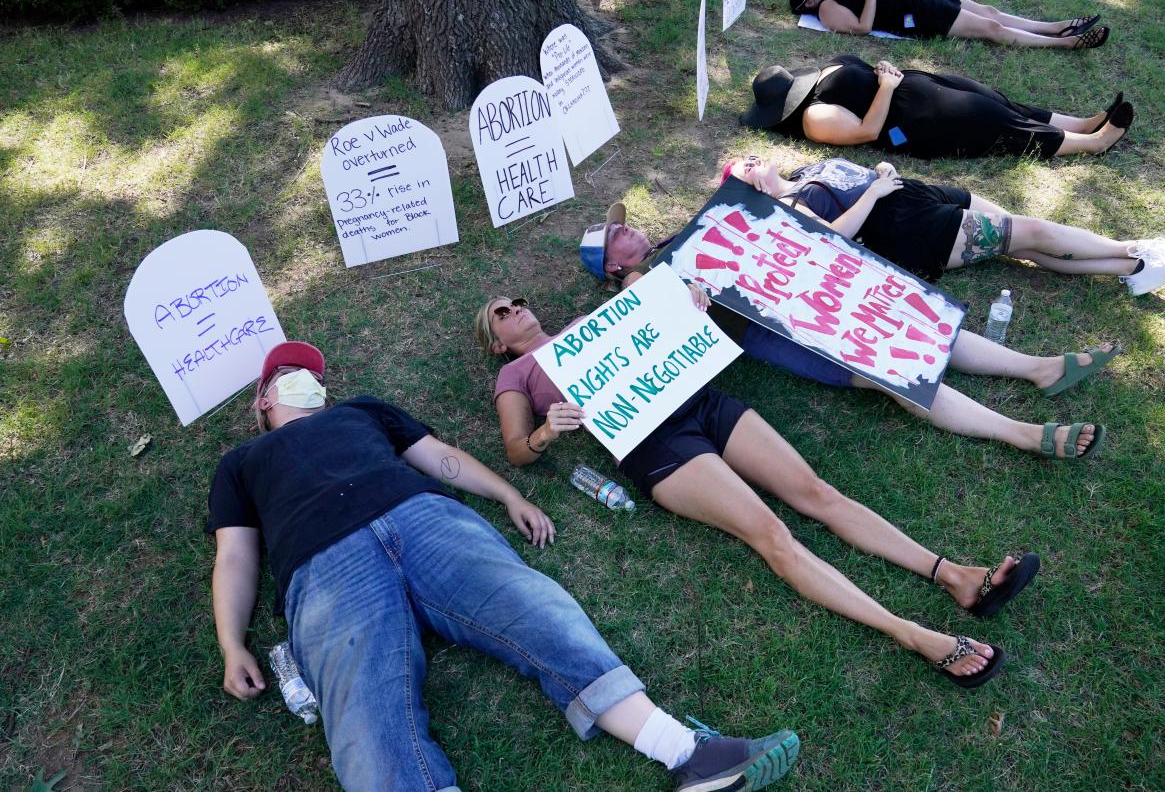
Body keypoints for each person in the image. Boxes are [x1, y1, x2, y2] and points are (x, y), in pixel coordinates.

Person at [207, 341, 801, 792]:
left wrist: (509, 496)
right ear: (263, 400)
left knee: (535, 608)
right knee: (361, 706)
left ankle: (688, 755)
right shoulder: (241, 462)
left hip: (423, 519)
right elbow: (235, 554)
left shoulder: (360, 411)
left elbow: (440, 459)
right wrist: (233, 644)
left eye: (313, 374)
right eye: (290, 375)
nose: (306, 380)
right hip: (325, 566)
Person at [475, 293, 1045, 691]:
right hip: (654, 447)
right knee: (773, 536)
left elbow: (657, 320)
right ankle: (912, 634)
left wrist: (688, 304)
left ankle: (956, 576)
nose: (516, 308)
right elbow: (516, 450)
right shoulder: (518, 375)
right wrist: (547, 431)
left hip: (701, 404)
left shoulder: (590, 321)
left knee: (818, 492)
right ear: (498, 342)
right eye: (501, 312)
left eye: (517, 300)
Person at [577, 202, 1112, 461]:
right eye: (614, 236)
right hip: (793, 330)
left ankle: (1036, 368)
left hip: (818, 294)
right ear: (611, 269)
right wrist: (675, 296)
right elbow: (659, 327)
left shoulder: (681, 235)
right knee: (892, 372)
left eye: (621, 223)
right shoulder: (636, 288)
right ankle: (1019, 432)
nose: (625, 226)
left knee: (912, 324)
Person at [721, 154, 1165, 294]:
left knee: (1018, 242)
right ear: (751, 189)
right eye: (741, 168)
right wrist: (873, 191)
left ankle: (1132, 270)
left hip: (916, 194)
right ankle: (1135, 248)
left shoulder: (804, 172)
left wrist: (881, 175)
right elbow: (830, 240)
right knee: (1029, 231)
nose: (748, 159)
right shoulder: (790, 205)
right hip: (912, 229)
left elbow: (861, 177)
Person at [741, 57, 1132, 159]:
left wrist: (884, 71)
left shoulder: (826, 75)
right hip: (913, 122)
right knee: (994, 122)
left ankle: (1082, 124)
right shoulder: (815, 117)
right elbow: (868, 131)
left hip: (917, 85)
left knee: (997, 100)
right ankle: (1093, 143)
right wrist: (888, 86)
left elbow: (863, 72)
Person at [789, 0, 1109, 48]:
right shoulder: (826, 8)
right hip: (913, 12)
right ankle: (1064, 41)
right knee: (991, 29)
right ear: (809, 3)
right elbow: (861, 26)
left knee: (990, 11)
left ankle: (1055, 26)